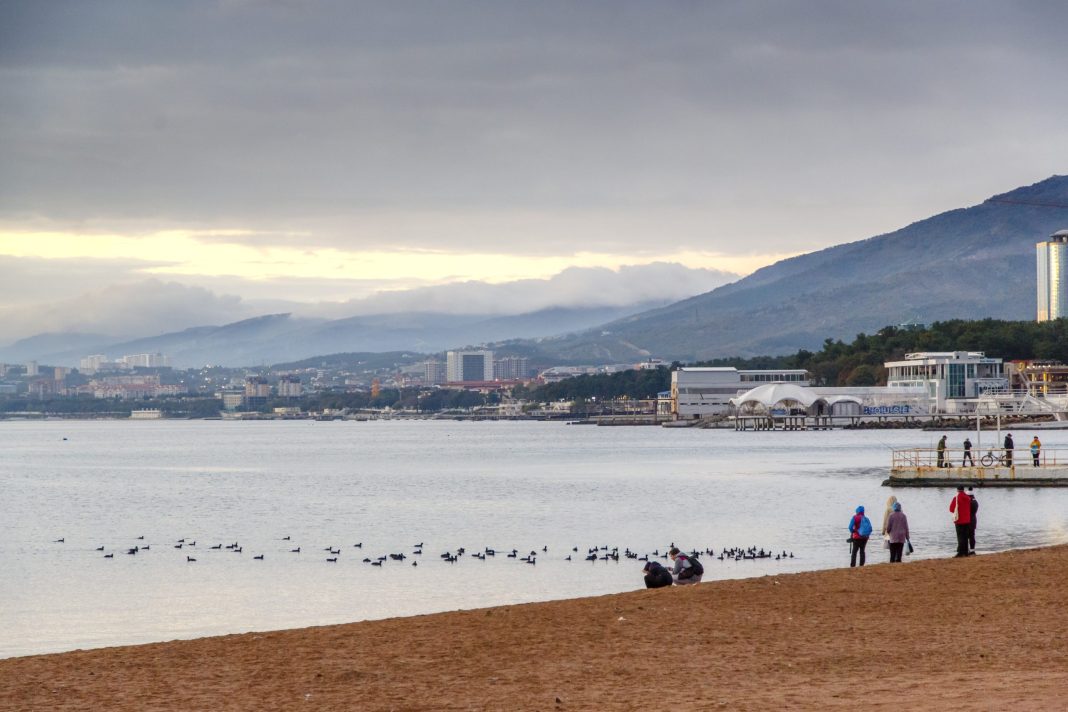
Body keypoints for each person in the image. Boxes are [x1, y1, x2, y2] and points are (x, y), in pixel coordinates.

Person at [949, 485, 972, 557]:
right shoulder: (968, 498)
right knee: (965, 536)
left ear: (957, 490)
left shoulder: (956, 498)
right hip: (967, 520)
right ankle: (966, 552)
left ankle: (960, 552)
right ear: (963, 489)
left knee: (960, 536)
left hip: (959, 520)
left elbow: (951, 509)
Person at [967, 487, 979, 554]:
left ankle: (967, 550)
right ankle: (972, 550)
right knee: (972, 536)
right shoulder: (975, 502)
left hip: (968, 520)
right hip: (974, 520)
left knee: (967, 536)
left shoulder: (968, 502)